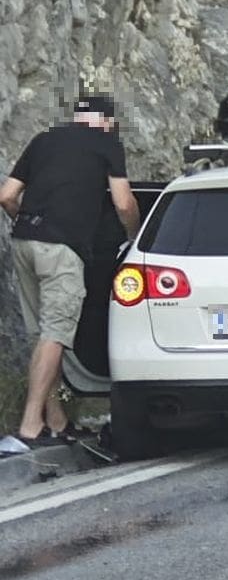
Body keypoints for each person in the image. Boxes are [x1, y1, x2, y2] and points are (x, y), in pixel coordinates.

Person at [0, 95, 140, 447]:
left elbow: (7, 195)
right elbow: (124, 203)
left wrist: (28, 223)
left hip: (24, 241)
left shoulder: (43, 139)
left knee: (42, 336)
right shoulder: (107, 144)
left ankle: (56, 420)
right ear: (106, 121)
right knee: (55, 334)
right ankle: (30, 426)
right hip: (62, 250)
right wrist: (134, 237)